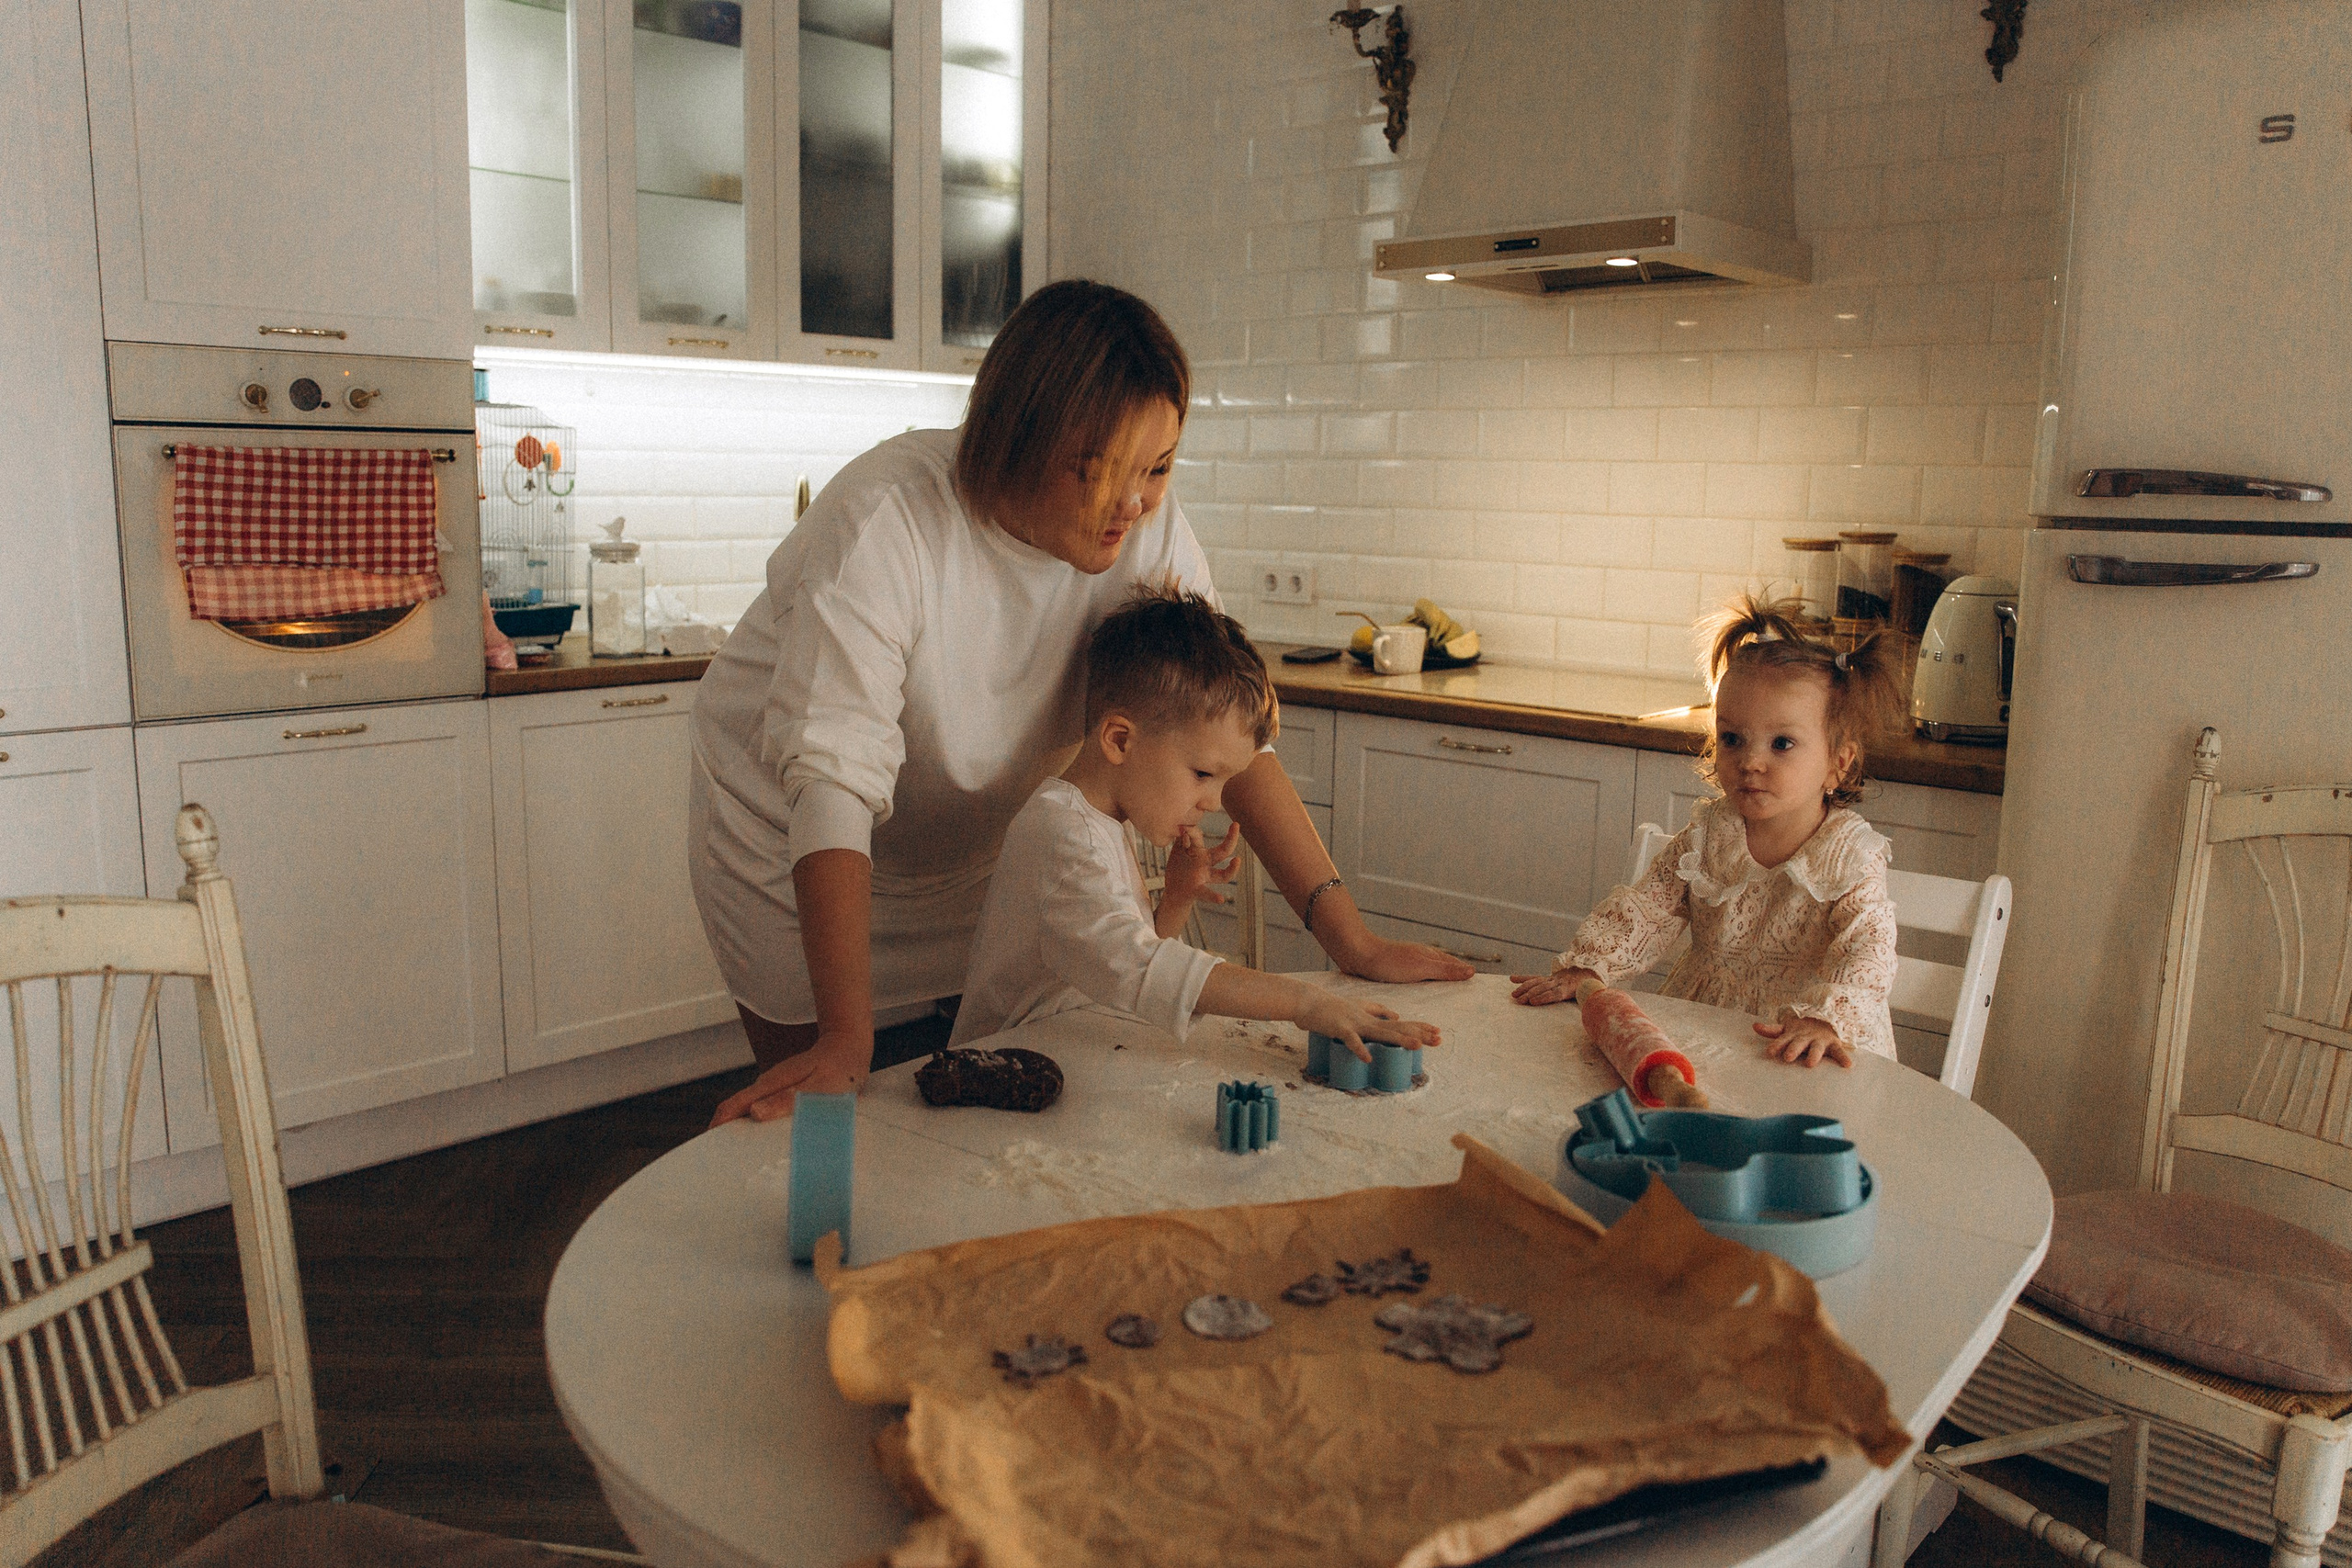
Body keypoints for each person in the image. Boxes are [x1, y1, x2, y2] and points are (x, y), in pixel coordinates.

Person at [694, 280, 1469, 1127]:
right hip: (799, 848)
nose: (1135, 505)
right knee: (824, 1119)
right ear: (1017, 438)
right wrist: (844, 1034)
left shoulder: (1148, 538)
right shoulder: (890, 520)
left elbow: (1231, 736)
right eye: (1101, 471)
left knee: (957, 1116)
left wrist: (1349, 941)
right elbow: (833, 779)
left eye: (1160, 467)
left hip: (978, 851)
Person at [953, 585, 1443, 1059]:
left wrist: (1177, 898)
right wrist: (1306, 1002)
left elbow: (1115, 962)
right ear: (1120, 740)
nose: (1214, 802)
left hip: (1068, 1052)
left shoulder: (1099, 822)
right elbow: (1143, 970)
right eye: (1203, 774)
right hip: (996, 1079)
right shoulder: (1061, 835)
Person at [1509, 596, 1905, 1066]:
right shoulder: (1711, 834)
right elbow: (1647, 910)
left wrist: (1824, 1019)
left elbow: (1867, 950)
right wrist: (1588, 967)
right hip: (1706, 1027)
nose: (1750, 761)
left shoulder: (1850, 855)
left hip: (1808, 1042)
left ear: (1838, 764)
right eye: (1732, 739)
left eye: (1782, 744)